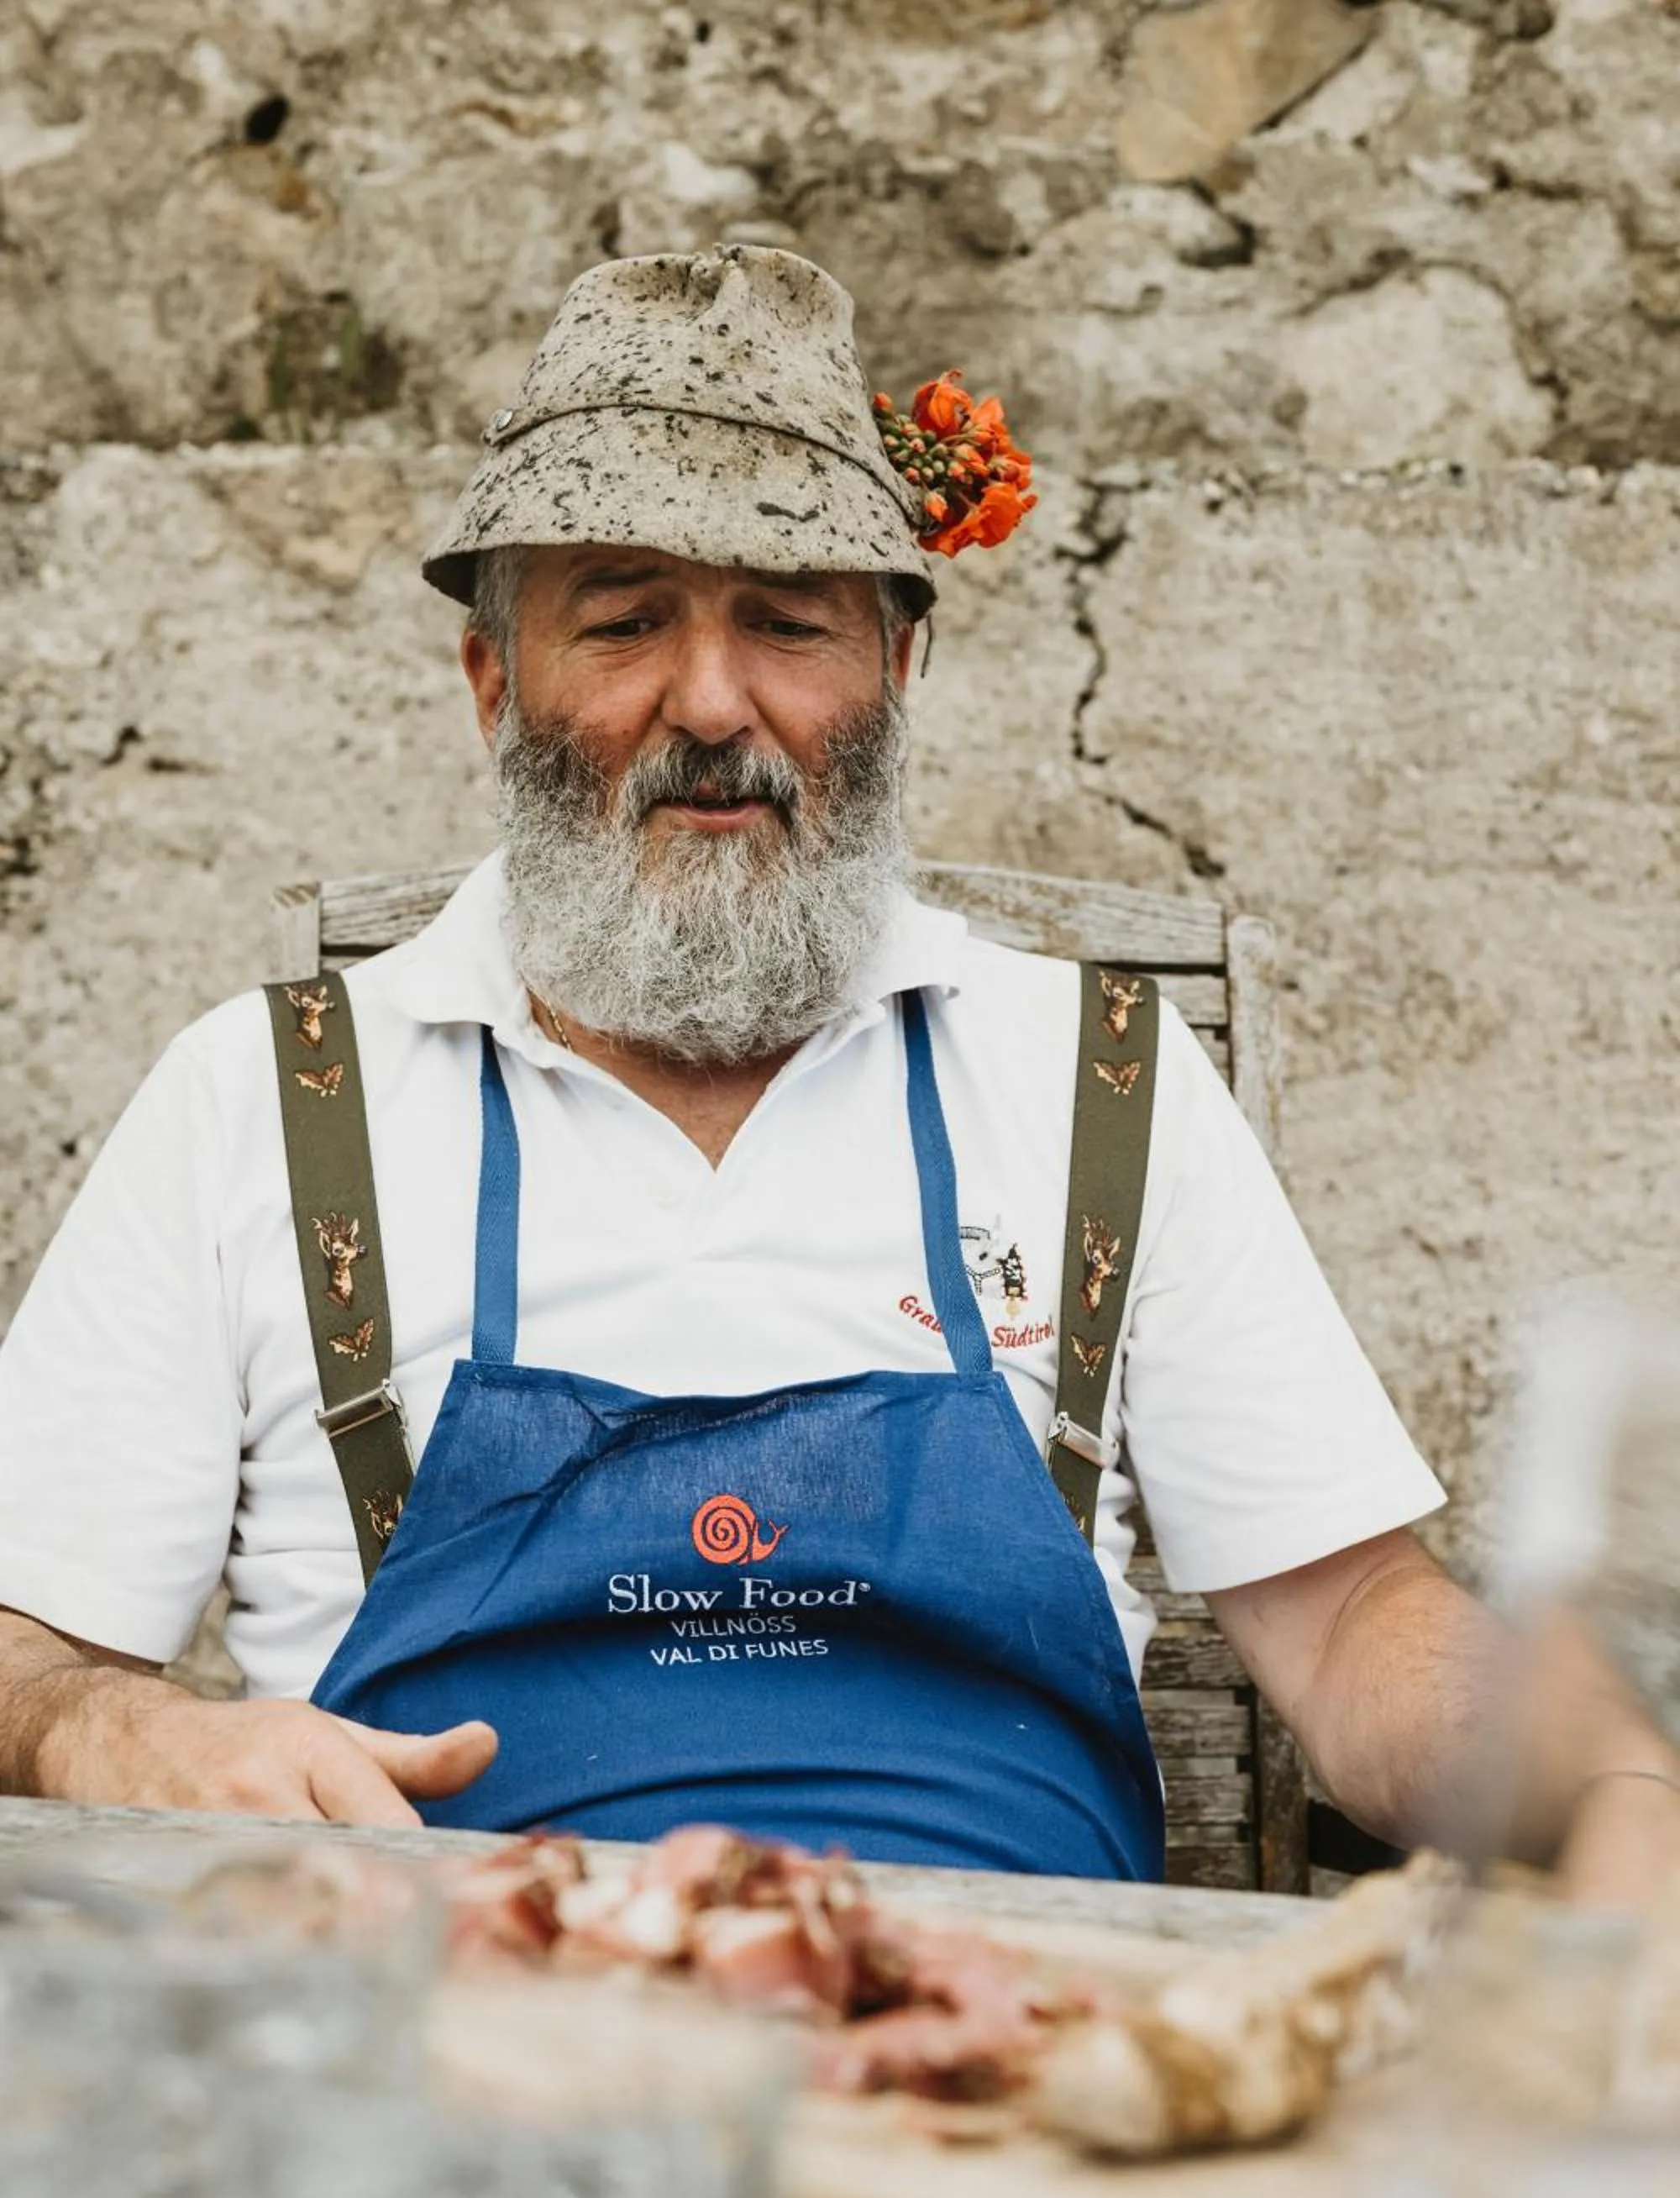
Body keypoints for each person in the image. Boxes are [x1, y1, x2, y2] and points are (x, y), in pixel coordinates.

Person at [0, 246, 1672, 1900]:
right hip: (458, 2061)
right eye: (626, 620)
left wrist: (1610, 1784)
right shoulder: (267, 1108)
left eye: (789, 623)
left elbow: (1357, 1623)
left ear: (897, 669)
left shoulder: (1090, 1080)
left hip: (1030, 2064)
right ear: (494, 681)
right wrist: (113, 1731)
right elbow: (26, 1658)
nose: (713, 702)